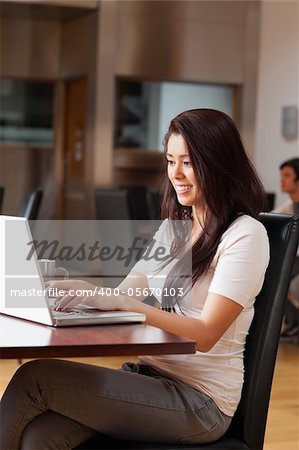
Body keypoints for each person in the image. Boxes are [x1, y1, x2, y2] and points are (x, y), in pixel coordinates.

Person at [0, 109, 270, 449]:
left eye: (188, 162)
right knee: (40, 435)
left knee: (34, 378)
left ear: (218, 162)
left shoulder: (245, 235)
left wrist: (123, 303)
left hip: (200, 402)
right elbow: (127, 292)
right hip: (149, 379)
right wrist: (83, 294)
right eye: (171, 161)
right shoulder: (176, 226)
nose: (176, 173)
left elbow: (206, 335)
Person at [273, 158, 299, 343]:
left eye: (288, 176)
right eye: (282, 176)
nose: (282, 180)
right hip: (294, 258)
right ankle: (292, 324)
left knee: (280, 280)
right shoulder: (287, 208)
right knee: (274, 278)